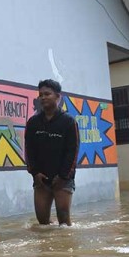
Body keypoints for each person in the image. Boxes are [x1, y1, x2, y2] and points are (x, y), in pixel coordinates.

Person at [24, 79, 79, 226]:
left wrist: (62, 176)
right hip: (41, 179)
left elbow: (72, 152)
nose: (43, 97)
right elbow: (29, 151)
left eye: (47, 94)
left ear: (58, 97)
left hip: (63, 179)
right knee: (42, 221)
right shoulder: (33, 122)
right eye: (40, 95)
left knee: (64, 220)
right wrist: (35, 173)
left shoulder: (69, 122)